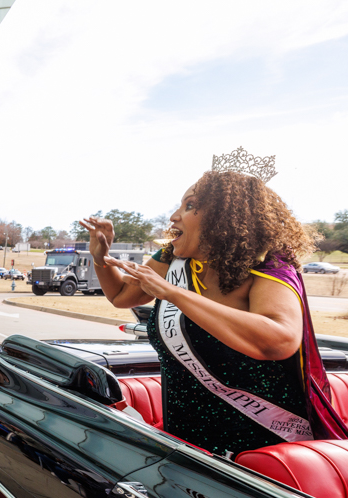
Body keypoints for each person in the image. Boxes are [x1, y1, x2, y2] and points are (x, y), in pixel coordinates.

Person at [80, 149, 348, 457]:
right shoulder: (172, 259)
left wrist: (173, 293)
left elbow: (280, 339)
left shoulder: (269, 265)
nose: (173, 216)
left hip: (259, 448)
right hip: (183, 438)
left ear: (225, 217)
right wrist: (101, 257)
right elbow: (120, 297)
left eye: (191, 205)